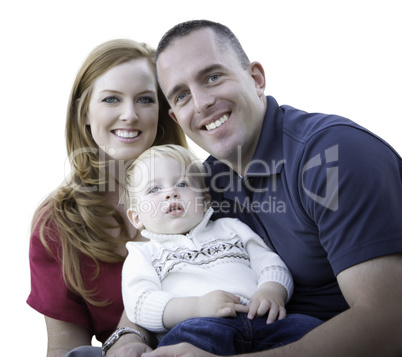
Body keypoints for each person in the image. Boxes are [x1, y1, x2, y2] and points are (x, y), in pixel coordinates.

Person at [145, 20, 402, 356]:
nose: (201, 102)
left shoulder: (334, 156)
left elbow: (389, 323)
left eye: (212, 77)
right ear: (177, 117)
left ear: (256, 79)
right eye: (182, 95)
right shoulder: (203, 184)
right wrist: (127, 336)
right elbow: (155, 261)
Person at [26, 39, 186, 357]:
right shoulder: (57, 223)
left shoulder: (201, 191)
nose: (129, 115)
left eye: (144, 99)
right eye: (112, 99)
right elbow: (66, 348)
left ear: (162, 111)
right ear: (83, 112)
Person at [122, 144, 322, 355]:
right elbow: (140, 303)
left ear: (205, 201)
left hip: (261, 317)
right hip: (198, 326)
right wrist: (197, 307)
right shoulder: (143, 253)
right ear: (136, 217)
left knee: (310, 329)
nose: (170, 193)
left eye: (182, 184)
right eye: (154, 190)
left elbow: (269, 262)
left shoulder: (231, 227)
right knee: (178, 347)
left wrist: (272, 290)